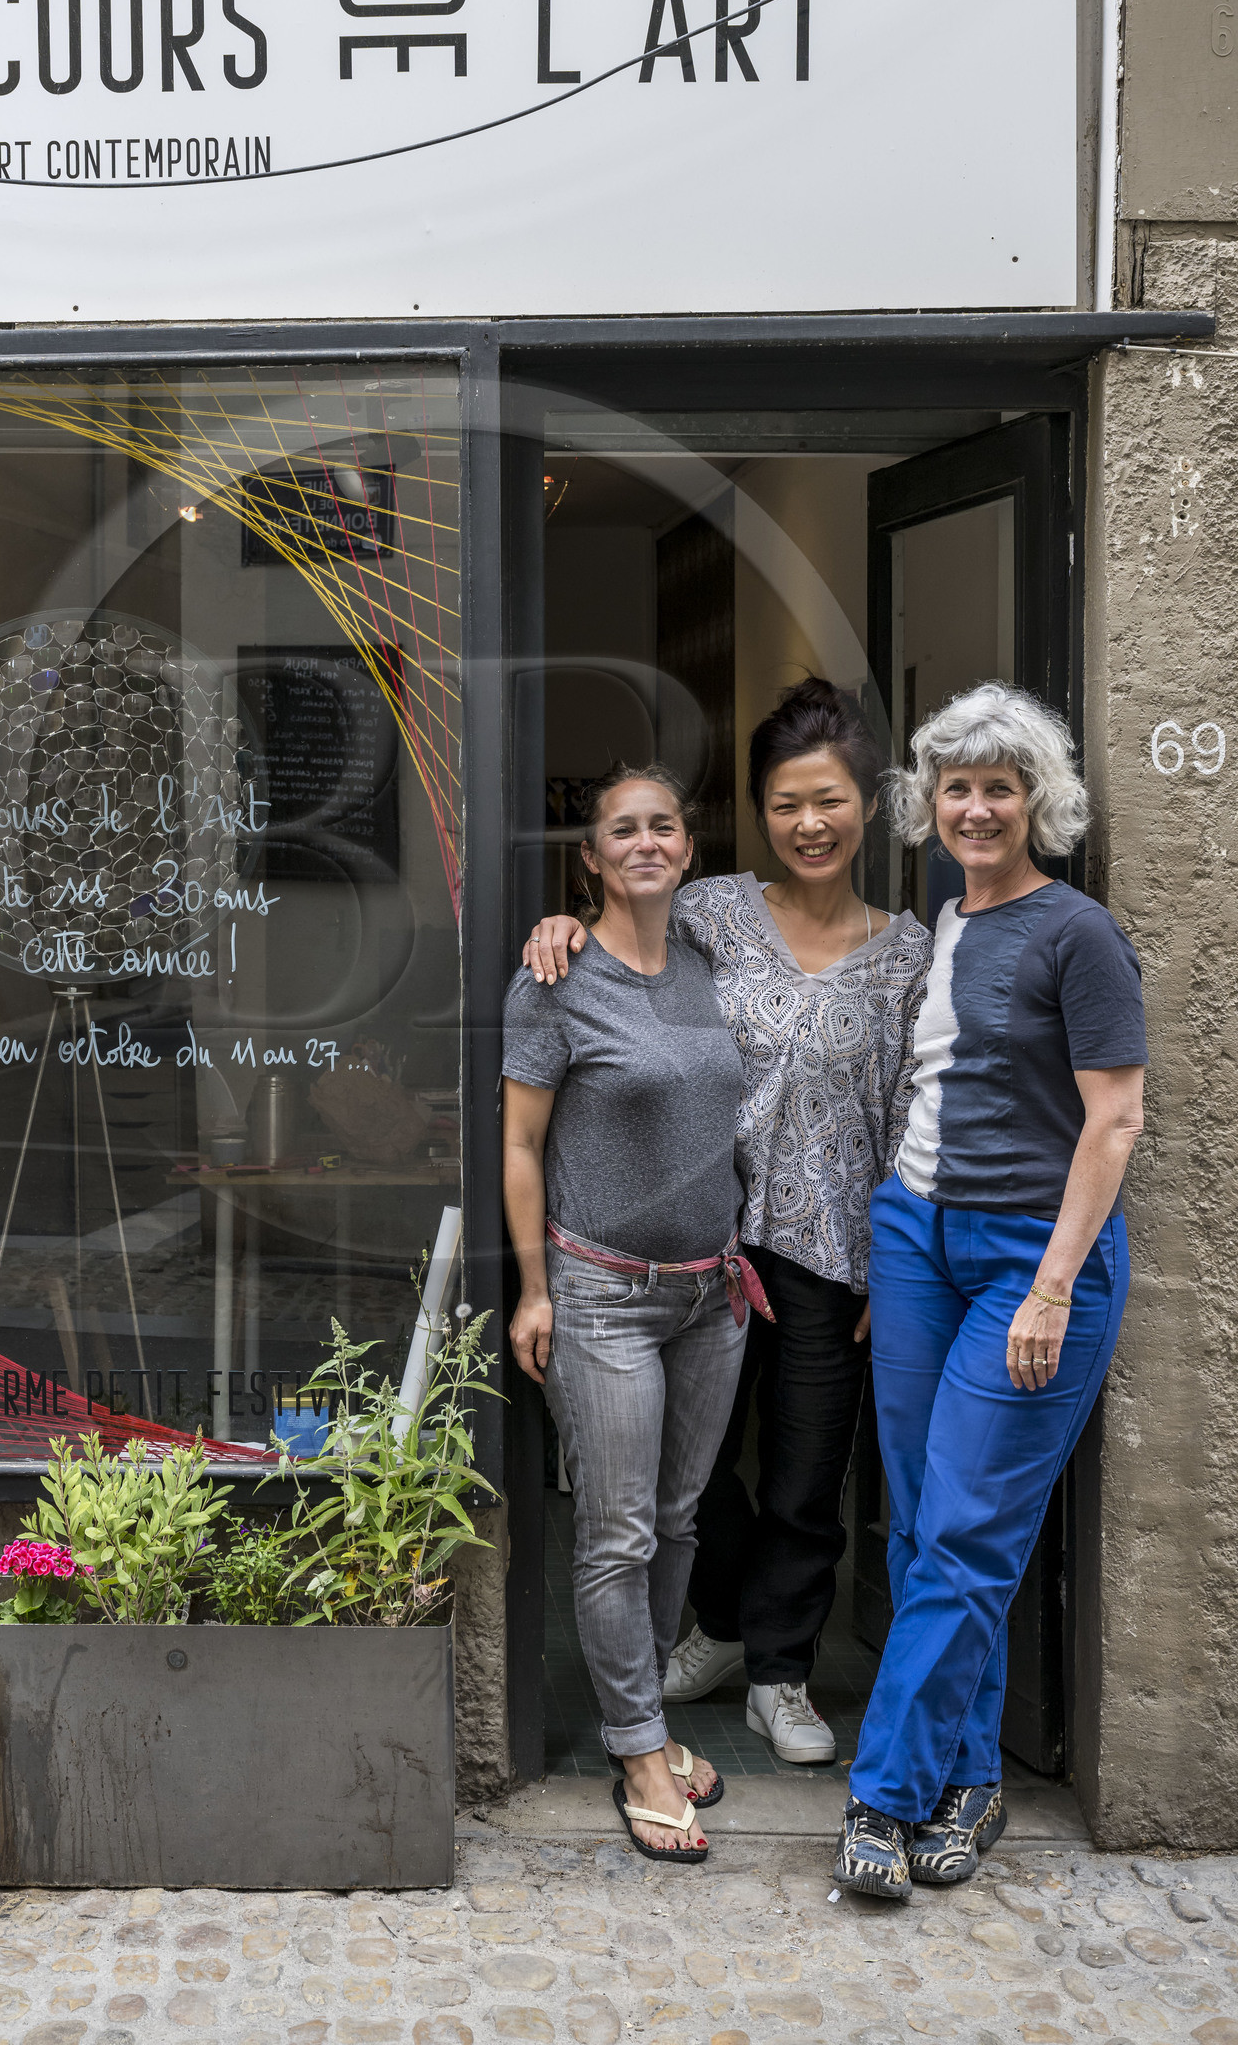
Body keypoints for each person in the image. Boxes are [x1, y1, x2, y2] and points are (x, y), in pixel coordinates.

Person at [524, 679, 931, 1765]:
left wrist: (897, 1266)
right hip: (704, 1237)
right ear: (759, 814)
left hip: (835, 1254)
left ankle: (782, 1672)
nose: (810, 824)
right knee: (685, 1479)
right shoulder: (712, 914)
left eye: (830, 802)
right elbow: (620, 936)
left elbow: (910, 1116)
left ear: (868, 808)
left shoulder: (908, 953)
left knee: (807, 1474)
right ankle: (718, 1618)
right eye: (789, 804)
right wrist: (558, 922)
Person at [833, 683, 1144, 1900]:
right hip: (915, 1240)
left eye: (998, 787)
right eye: (955, 786)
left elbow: (1112, 1122)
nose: (974, 807)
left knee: (964, 1534)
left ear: (1036, 803)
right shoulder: (946, 918)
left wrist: (1052, 1288)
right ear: (930, 802)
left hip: (1032, 1259)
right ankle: (968, 1782)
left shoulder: (1078, 934)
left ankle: (883, 1796)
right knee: (922, 1527)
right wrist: (891, 1242)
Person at [502, 765, 754, 1860]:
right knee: (617, 1529)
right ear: (591, 860)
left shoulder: (709, 964)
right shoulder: (553, 982)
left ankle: (641, 1717)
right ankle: (640, 1749)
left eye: (663, 826)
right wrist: (532, 1288)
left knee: (682, 1518)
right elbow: (519, 1146)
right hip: (602, 1295)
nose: (645, 842)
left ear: (686, 851)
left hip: (713, 1292)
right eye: (622, 831)